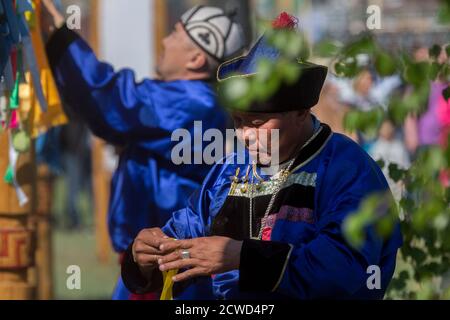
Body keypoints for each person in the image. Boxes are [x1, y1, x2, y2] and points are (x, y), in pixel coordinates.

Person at [121, 13, 403, 300]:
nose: (244, 135)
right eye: (238, 121)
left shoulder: (346, 168)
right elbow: (185, 235)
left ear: (301, 112)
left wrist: (243, 257)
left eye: (257, 123)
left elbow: (345, 268)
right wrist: (147, 257)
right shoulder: (229, 171)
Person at [41, 2, 245, 299]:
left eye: (175, 34)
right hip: (157, 259)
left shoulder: (191, 101)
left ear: (197, 58)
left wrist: (59, 35)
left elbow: (111, 100)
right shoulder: (197, 102)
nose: (164, 41)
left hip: (168, 264)